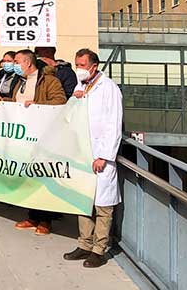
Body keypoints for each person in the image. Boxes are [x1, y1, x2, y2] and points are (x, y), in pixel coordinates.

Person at [63, 49, 123, 268]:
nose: (78, 68)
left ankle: (99, 249)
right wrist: (75, 100)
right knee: (83, 201)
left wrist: (104, 156)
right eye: (76, 64)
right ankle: (84, 244)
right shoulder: (81, 87)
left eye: (82, 64)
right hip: (81, 154)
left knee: (103, 206)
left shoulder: (109, 89)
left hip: (100, 156)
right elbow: (68, 117)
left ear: (94, 66)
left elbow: (113, 125)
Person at [0, 49, 66, 234]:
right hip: (23, 139)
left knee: (43, 177)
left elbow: (60, 102)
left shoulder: (49, 81)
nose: (14, 65)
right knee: (28, 177)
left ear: (28, 63)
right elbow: (15, 103)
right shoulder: (20, 82)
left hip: (43, 137)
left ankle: (46, 220)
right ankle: (32, 215)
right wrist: (1, 100)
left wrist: (37, 105)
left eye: (17, 61)